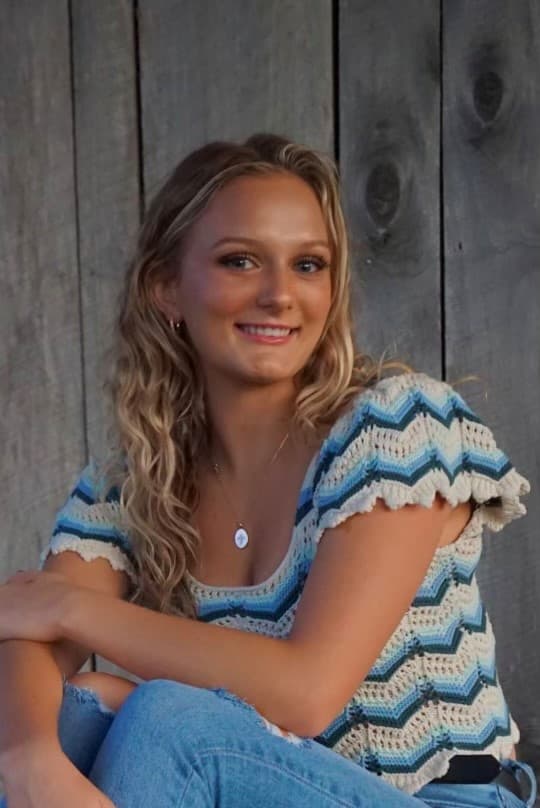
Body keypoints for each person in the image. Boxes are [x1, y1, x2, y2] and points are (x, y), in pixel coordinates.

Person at [0, 133, 535, 808]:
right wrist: (30, 761)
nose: (281, 295)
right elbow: (25, 636)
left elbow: (306, 694)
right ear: (167, 288)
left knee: (171, 720)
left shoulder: (396, 425)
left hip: (436, 800)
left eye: (309, 265)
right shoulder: (132, 477)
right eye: (241, 261)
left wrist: (70, 609)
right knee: (67, 714)